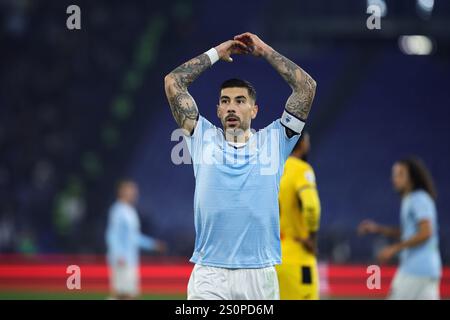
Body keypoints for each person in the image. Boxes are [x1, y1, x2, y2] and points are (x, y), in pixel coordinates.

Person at [164, 32, 317, 300]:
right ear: (218, 111)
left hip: (259, 274)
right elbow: (173, 82)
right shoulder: (202, 137)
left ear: (254, 110)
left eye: (240, 101)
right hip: (209, 273)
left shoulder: (275, 141)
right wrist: (215, 53)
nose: (232, 107)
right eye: (225, 101)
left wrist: (265, 51)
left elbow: (306, 88)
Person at [358, 157, 442, 300]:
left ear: (412, 177)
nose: (395, 178)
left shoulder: (418, 198)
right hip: (429, 270)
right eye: (394, 174)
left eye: (400, 174)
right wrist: (378, 229)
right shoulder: (410, 199)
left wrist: (394, 248)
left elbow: (426, 232)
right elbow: (410, 233)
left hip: (415, 269)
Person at [276, 132, 321, 299]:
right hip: (297, 257)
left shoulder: (274, 170)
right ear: (301, 144)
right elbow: (311, 207)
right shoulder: (302, 169)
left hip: (273, 258)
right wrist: (312, 237)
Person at [105, 180, 166, 299]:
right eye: (131, 190)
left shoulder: (130, 211)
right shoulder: (117, 211)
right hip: (122, 259)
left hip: (130, 258)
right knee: (122, 294)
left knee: (127, 295)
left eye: (134, 190)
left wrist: (152, 244)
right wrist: (118, 255)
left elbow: (134, 237)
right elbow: (112, 235)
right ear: (121, 191)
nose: (134, 193)